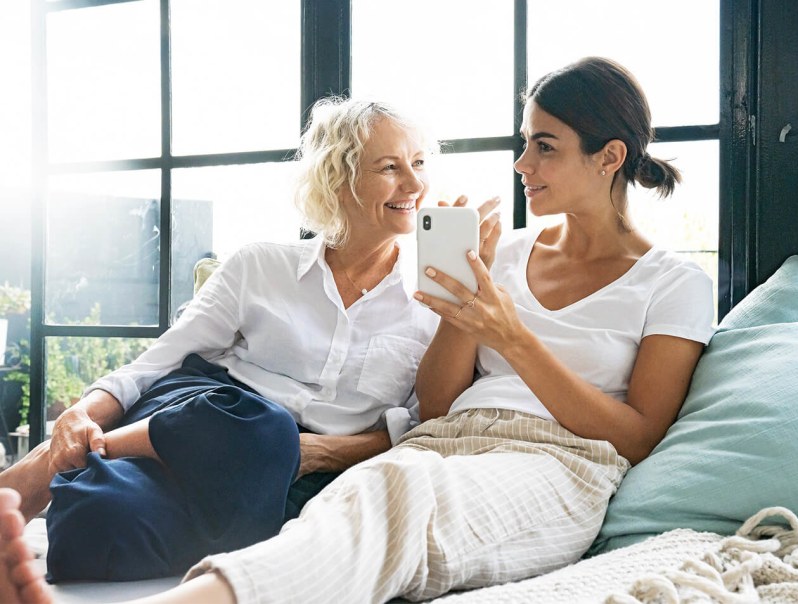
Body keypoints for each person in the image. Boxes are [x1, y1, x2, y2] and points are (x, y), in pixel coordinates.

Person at [0, 56, 714, 603]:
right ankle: (77, 474)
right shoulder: (499, 253)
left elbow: (637, 436)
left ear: (608, 156)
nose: (522, 164)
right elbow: (439, 406)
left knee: (371, 500)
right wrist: (466, 307)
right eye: (525, 143)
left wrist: (507, 333)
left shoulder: (673, 282)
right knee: (317, 484)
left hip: (532, 458)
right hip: (419, 438)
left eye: (545, 147)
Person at [0, 97, 500, 584]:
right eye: (390, 167)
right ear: (339, 177)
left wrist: (318, 452)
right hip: (207, 410)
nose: (414, 183)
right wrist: (80, 414)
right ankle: (78, 453)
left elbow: (420, 425)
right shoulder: (260, 264)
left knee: (97, 528)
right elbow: (158, 363)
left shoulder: (438, 299)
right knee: (259, 422)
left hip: (292, 471)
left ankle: (96, 461)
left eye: (419, 163)